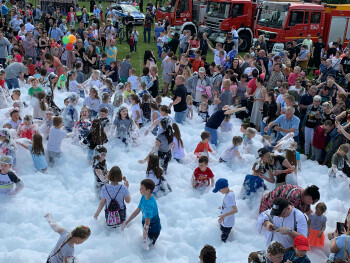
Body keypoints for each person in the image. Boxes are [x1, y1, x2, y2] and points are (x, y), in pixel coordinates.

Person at [122, 179, 161, 250]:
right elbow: (137, 210)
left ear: (148, 191)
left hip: (153, 229)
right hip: (147, 226)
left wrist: (144, 240)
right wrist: (127, 222)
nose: (139, 189)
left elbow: (147, 224)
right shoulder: (143, 197)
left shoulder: (150, 204)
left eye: (141, 188)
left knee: (149, 249)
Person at [213, 178, 238, 242]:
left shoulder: (229, 196)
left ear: (224, 188)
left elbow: (235, 210)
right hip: (225, 220)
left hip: (227, 222)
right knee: (221, 231)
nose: (219, 191)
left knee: (223, 239)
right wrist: (222, 207)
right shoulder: (230, 193)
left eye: (219, 190)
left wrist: (223, 215)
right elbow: (229, 205)